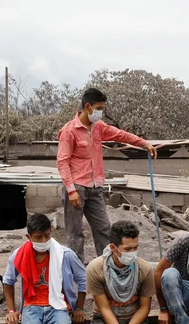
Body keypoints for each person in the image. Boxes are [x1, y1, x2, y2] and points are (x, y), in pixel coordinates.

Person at [57, 88, 158, 262]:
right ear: (87, 107)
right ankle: (77, 272)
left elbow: (121, 135)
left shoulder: (99, 128)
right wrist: (71, 190)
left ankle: (106, 266)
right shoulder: (69, 131)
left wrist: (144, 144)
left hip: (95, 187)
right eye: (98, 108)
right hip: (77, 188)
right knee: (75, 233)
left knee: (103, 228)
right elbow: (62, 161)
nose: (100, 113)